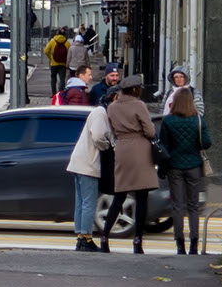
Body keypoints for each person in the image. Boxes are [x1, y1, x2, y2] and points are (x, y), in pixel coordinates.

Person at [98, 76, 159, 254]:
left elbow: (112, 128)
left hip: (122, 150)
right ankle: (138, 240)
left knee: (119, 196)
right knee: (141, 197)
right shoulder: (139, 105)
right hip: (140, 150)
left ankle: (105, 236)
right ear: (135, 90)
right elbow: (149, 130)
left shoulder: (113, 107)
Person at [158, 88, 209, 254]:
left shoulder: (168, 121)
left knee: (177, 206)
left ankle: (180, 244)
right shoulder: (198, 120)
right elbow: (207, 143)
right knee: (193, 206)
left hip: (174, 166)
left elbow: (163, 145)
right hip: (194, 166)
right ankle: (194, 243)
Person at [66, 97, 115, 252]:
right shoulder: (100, 112)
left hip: (80, 162)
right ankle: (87, 238)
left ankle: (80, 237)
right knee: (89, 203)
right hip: (89, 163)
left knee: (81, 203)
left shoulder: (98, 112)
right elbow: (99, 136)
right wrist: (108, 146)